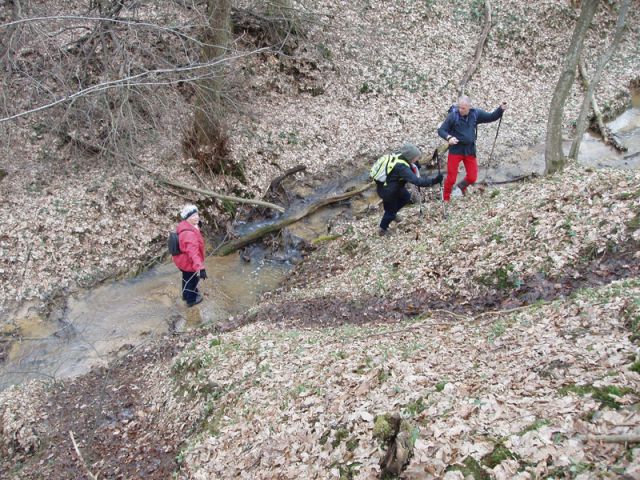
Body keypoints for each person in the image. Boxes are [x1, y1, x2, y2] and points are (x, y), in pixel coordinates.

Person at [437, 96, 507, 201]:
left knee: (472, 177)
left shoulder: (475, 114)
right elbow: (441, 130)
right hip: (456, 150)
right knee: (451, 178)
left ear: (469, 106)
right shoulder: (453, 116)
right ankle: (446, 198)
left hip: (469, 150)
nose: (460, 110)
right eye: (459, 107)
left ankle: (460, 188)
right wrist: (449, 137)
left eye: (463, 108)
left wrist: (500, 109)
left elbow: (491, 117)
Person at [375, 143, 443, 235]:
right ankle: (382, 229)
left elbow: (410, 167)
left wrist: (414, 165)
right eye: (416, 158)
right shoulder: (401, 167)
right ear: (410, 157)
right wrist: (434, 181)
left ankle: (392, 215)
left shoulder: (400, 155)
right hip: (388, 191)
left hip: (391, 185)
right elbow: (417, 181)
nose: (417, 159)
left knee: (406, 197)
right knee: (390, 210)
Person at [172, 204, 207, 307]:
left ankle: (185, 295)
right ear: (187, 218)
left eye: (197, 214)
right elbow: (193, 254)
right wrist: (201, 269)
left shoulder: (184, 225)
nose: (196, 217)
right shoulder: (189, 234)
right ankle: (191, 301)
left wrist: (196, 226)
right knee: (193, 280)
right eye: (193, 216)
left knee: (186, 278)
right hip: (188, 263)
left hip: (181, 261)